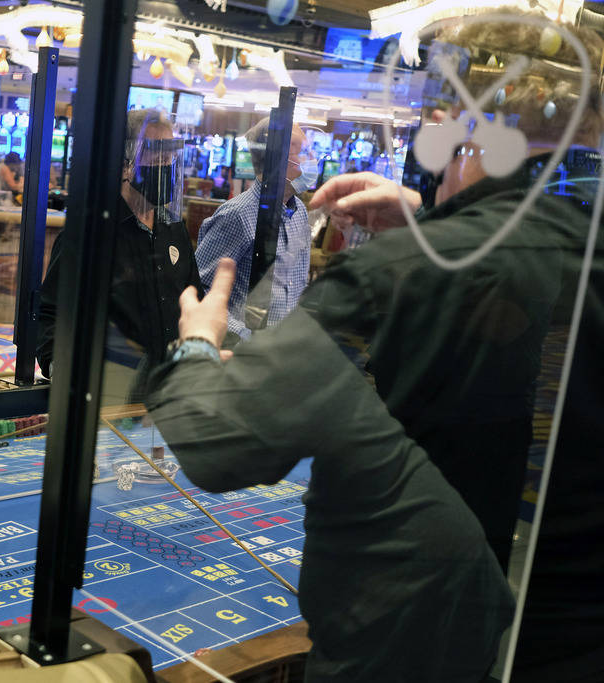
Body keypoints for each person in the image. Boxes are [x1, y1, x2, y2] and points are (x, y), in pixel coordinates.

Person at [150, 14, 604, 681]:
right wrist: (436, 223)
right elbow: (533, 276)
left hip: (413, 649)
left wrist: (194, 345)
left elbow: (219, 440)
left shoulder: (405, 276)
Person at [38, 109, 202, 391]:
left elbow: (192, 300)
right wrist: (64, 371)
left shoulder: (174, 229)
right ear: (126, 164)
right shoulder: (90, 233)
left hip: (168, 388)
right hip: (108, 391)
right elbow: (51, 314)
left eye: (170, 156)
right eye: (157, 155)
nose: (167, 164)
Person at [195, 118, 314, 341]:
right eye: (304, 152)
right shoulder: (237, 215)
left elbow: (295, 285)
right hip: (242, 353)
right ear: (277, 159)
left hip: (283, 348)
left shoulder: (299, 212)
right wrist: (245, 337)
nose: (313, 160)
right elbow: (201, 287)